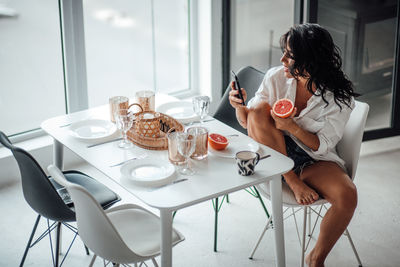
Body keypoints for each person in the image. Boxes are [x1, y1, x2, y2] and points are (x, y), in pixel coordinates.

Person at [229, 23, 359, 267]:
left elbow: (323, 145)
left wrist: (292, 127)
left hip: (313, 156)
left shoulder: (339, 97)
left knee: (348, 195)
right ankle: (290, 179)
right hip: (272, 153)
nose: (282, 59)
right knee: (257, 108)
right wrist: (238, 107)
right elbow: (250, 121)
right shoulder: (276, 77)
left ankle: (315, 258)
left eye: (290, 55)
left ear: (311, 59)